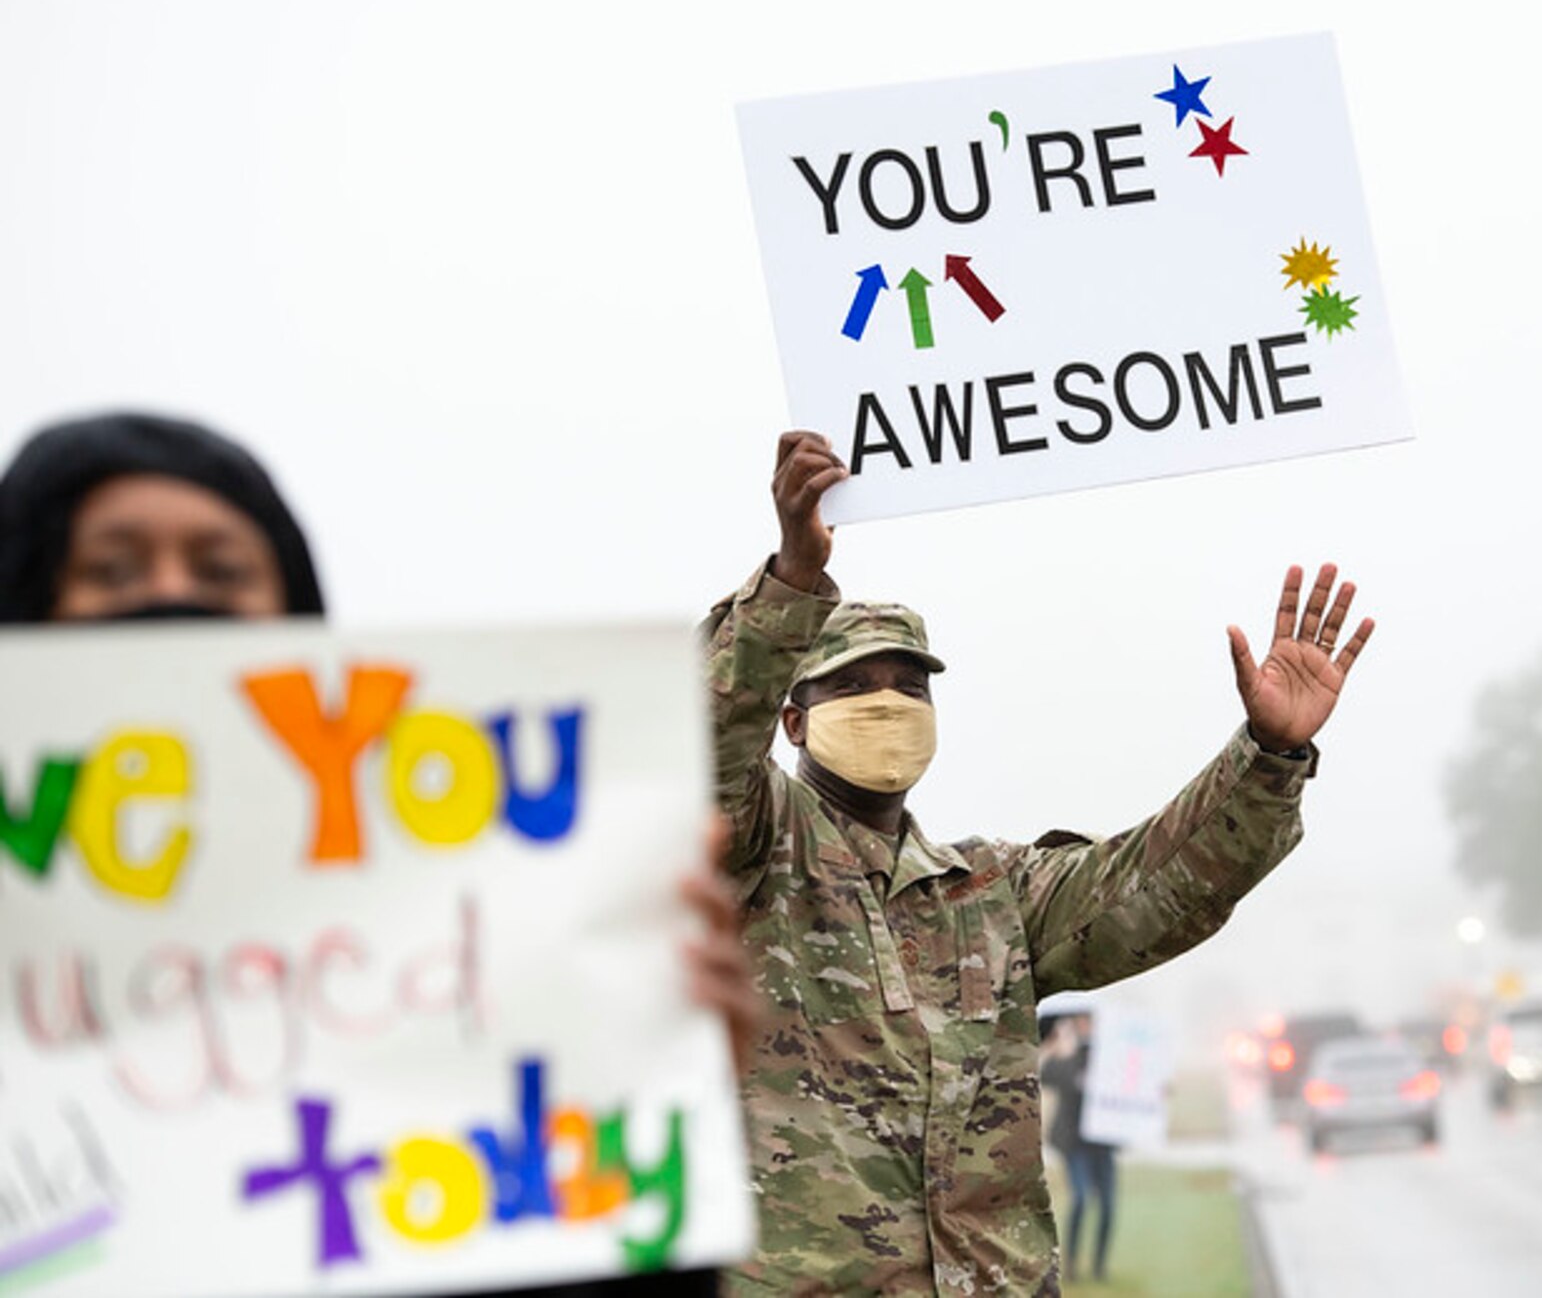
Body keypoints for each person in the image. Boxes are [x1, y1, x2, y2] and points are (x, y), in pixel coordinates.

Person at [0, 409, 752, 1296]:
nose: (172, 595)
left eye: (222, 571)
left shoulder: (452, 947)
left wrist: (656, 1091)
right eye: (112, 568)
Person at [708, 430, 1376, 1295]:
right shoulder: (755, 853)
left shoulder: (989, 894)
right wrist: (793, 580)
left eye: (909, 687)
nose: (888, 705)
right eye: (854, 686)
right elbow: (708, 745)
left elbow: (1155, 886)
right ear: (794, 720)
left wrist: (1268, 757)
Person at [1040, 1014, 1116, 1283]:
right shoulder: (1069, 1061)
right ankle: (1070, 1266)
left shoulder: (1110, 1063)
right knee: (1081, 1199)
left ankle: (1099, 1268)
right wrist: (1055, 1046)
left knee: (1108, 1205)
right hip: (1075, 1145)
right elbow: (1044, 1073)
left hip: (1102, 1144)